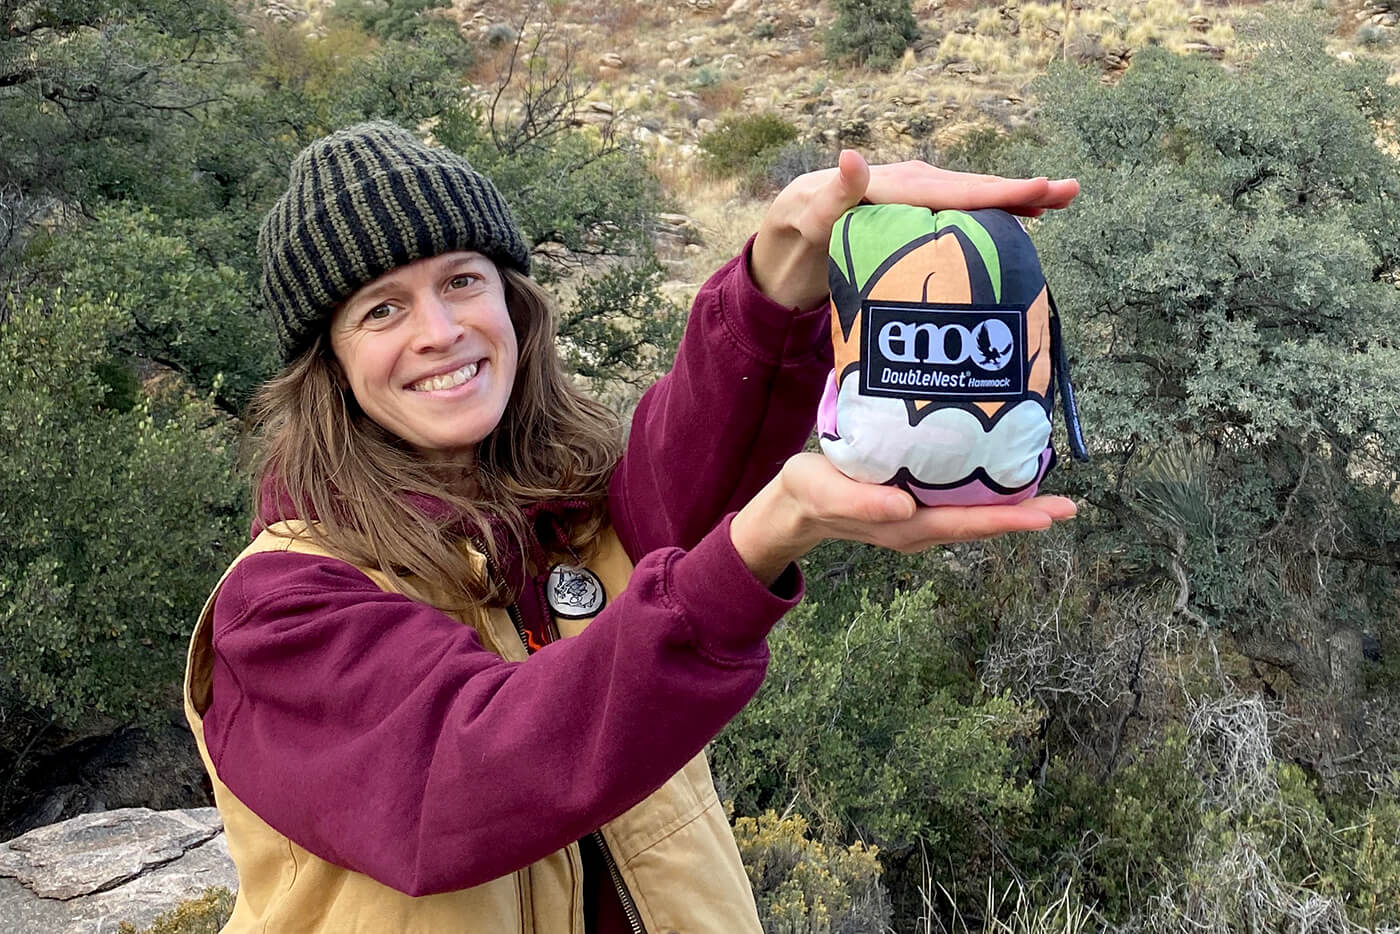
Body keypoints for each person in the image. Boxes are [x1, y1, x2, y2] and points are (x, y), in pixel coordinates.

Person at [181, 121, 1079, 934]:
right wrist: (759, 542)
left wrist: (786, 262)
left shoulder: (570, 518)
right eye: (383, 308)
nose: (441, 331)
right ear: (327, 366)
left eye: (463, 282)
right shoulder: (282, 606)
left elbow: (701, 448)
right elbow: (464, 775)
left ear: (513, 305)